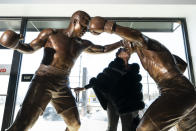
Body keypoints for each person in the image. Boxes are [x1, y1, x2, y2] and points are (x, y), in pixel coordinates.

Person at [0, 11, 124, 131]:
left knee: (75, 125)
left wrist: (120, 42)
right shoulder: (51, 34)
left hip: (63, 84)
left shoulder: (82, 43)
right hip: (43, 81)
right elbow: (30, 47)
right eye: (83, 25)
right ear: (74, 21)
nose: (85, 29)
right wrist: (16, 45)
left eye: (87, 27)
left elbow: (102, 49)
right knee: (24, 125)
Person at [88, 16, 196, 131]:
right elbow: (182, 65)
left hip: (176, 92)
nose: (125, 46)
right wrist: (171, 68)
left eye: (126, 43)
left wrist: (107, 26)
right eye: (123, 47)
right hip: (178, 91)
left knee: (143, 129)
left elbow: (138, 36)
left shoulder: (149, 45)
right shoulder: (144, 57)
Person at [75, 47, 145, 131]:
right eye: (123, 51)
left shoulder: (133, 69)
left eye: (127, 51)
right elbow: (98, 82)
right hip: (112, 103)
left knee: (128, 128)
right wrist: (83, 88)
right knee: (111, 128)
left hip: (127, 104)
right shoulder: (111, 68)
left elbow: (136, 89)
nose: (126, 53)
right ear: (118, 55)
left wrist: (136, 106)